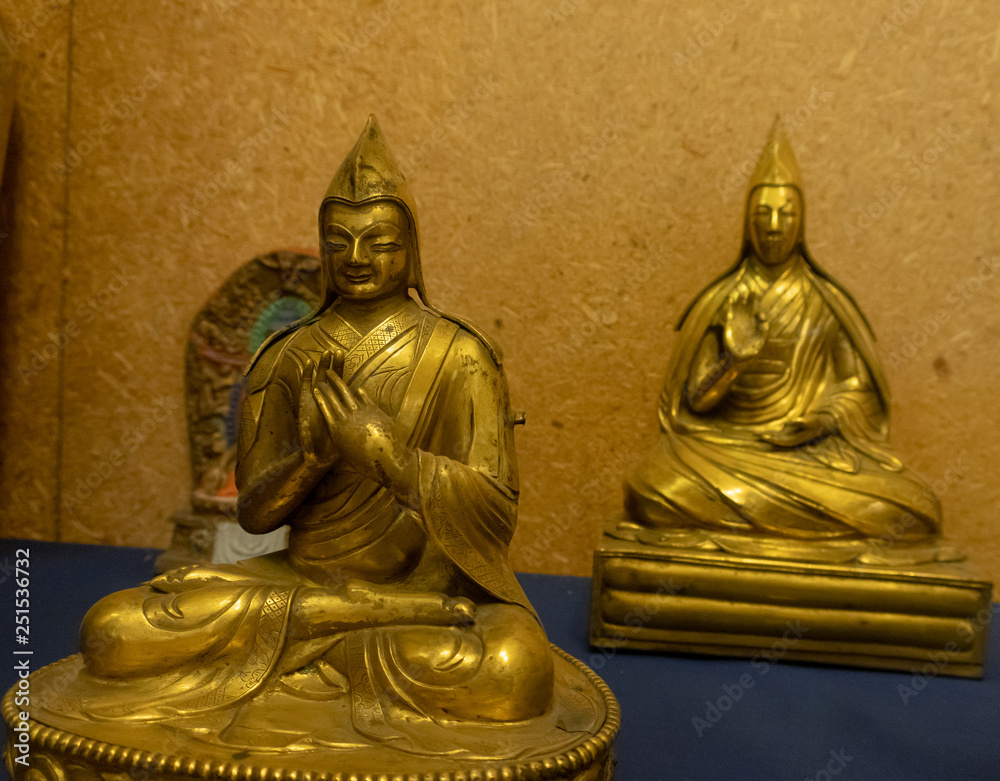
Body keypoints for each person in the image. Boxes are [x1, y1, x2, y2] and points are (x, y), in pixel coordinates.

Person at [76, 116, 554, 743]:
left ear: (411, 249)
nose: (355, 258)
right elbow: (254, 514)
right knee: (112, 629)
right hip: (305, 582)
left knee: (513, 668)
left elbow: (496, 512)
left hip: (423, 589)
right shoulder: (286, 356)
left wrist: (393, 461)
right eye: (338, 241)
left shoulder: (461, 355)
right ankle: (345, 618)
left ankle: (333, 630)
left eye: (378, 241)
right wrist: (310, 458)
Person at [624, 122, 941, 541]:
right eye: (763, 214)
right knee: (653, 487)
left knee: (914, 507)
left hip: (809, 457)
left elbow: (858, 389)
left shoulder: (825, 302)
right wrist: (733, 362)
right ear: (747, 223)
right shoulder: (722, 300)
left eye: (785, 214)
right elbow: (694, 402)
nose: (774, 226)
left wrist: (820, 421)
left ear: (801, 221)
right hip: (727, 451)